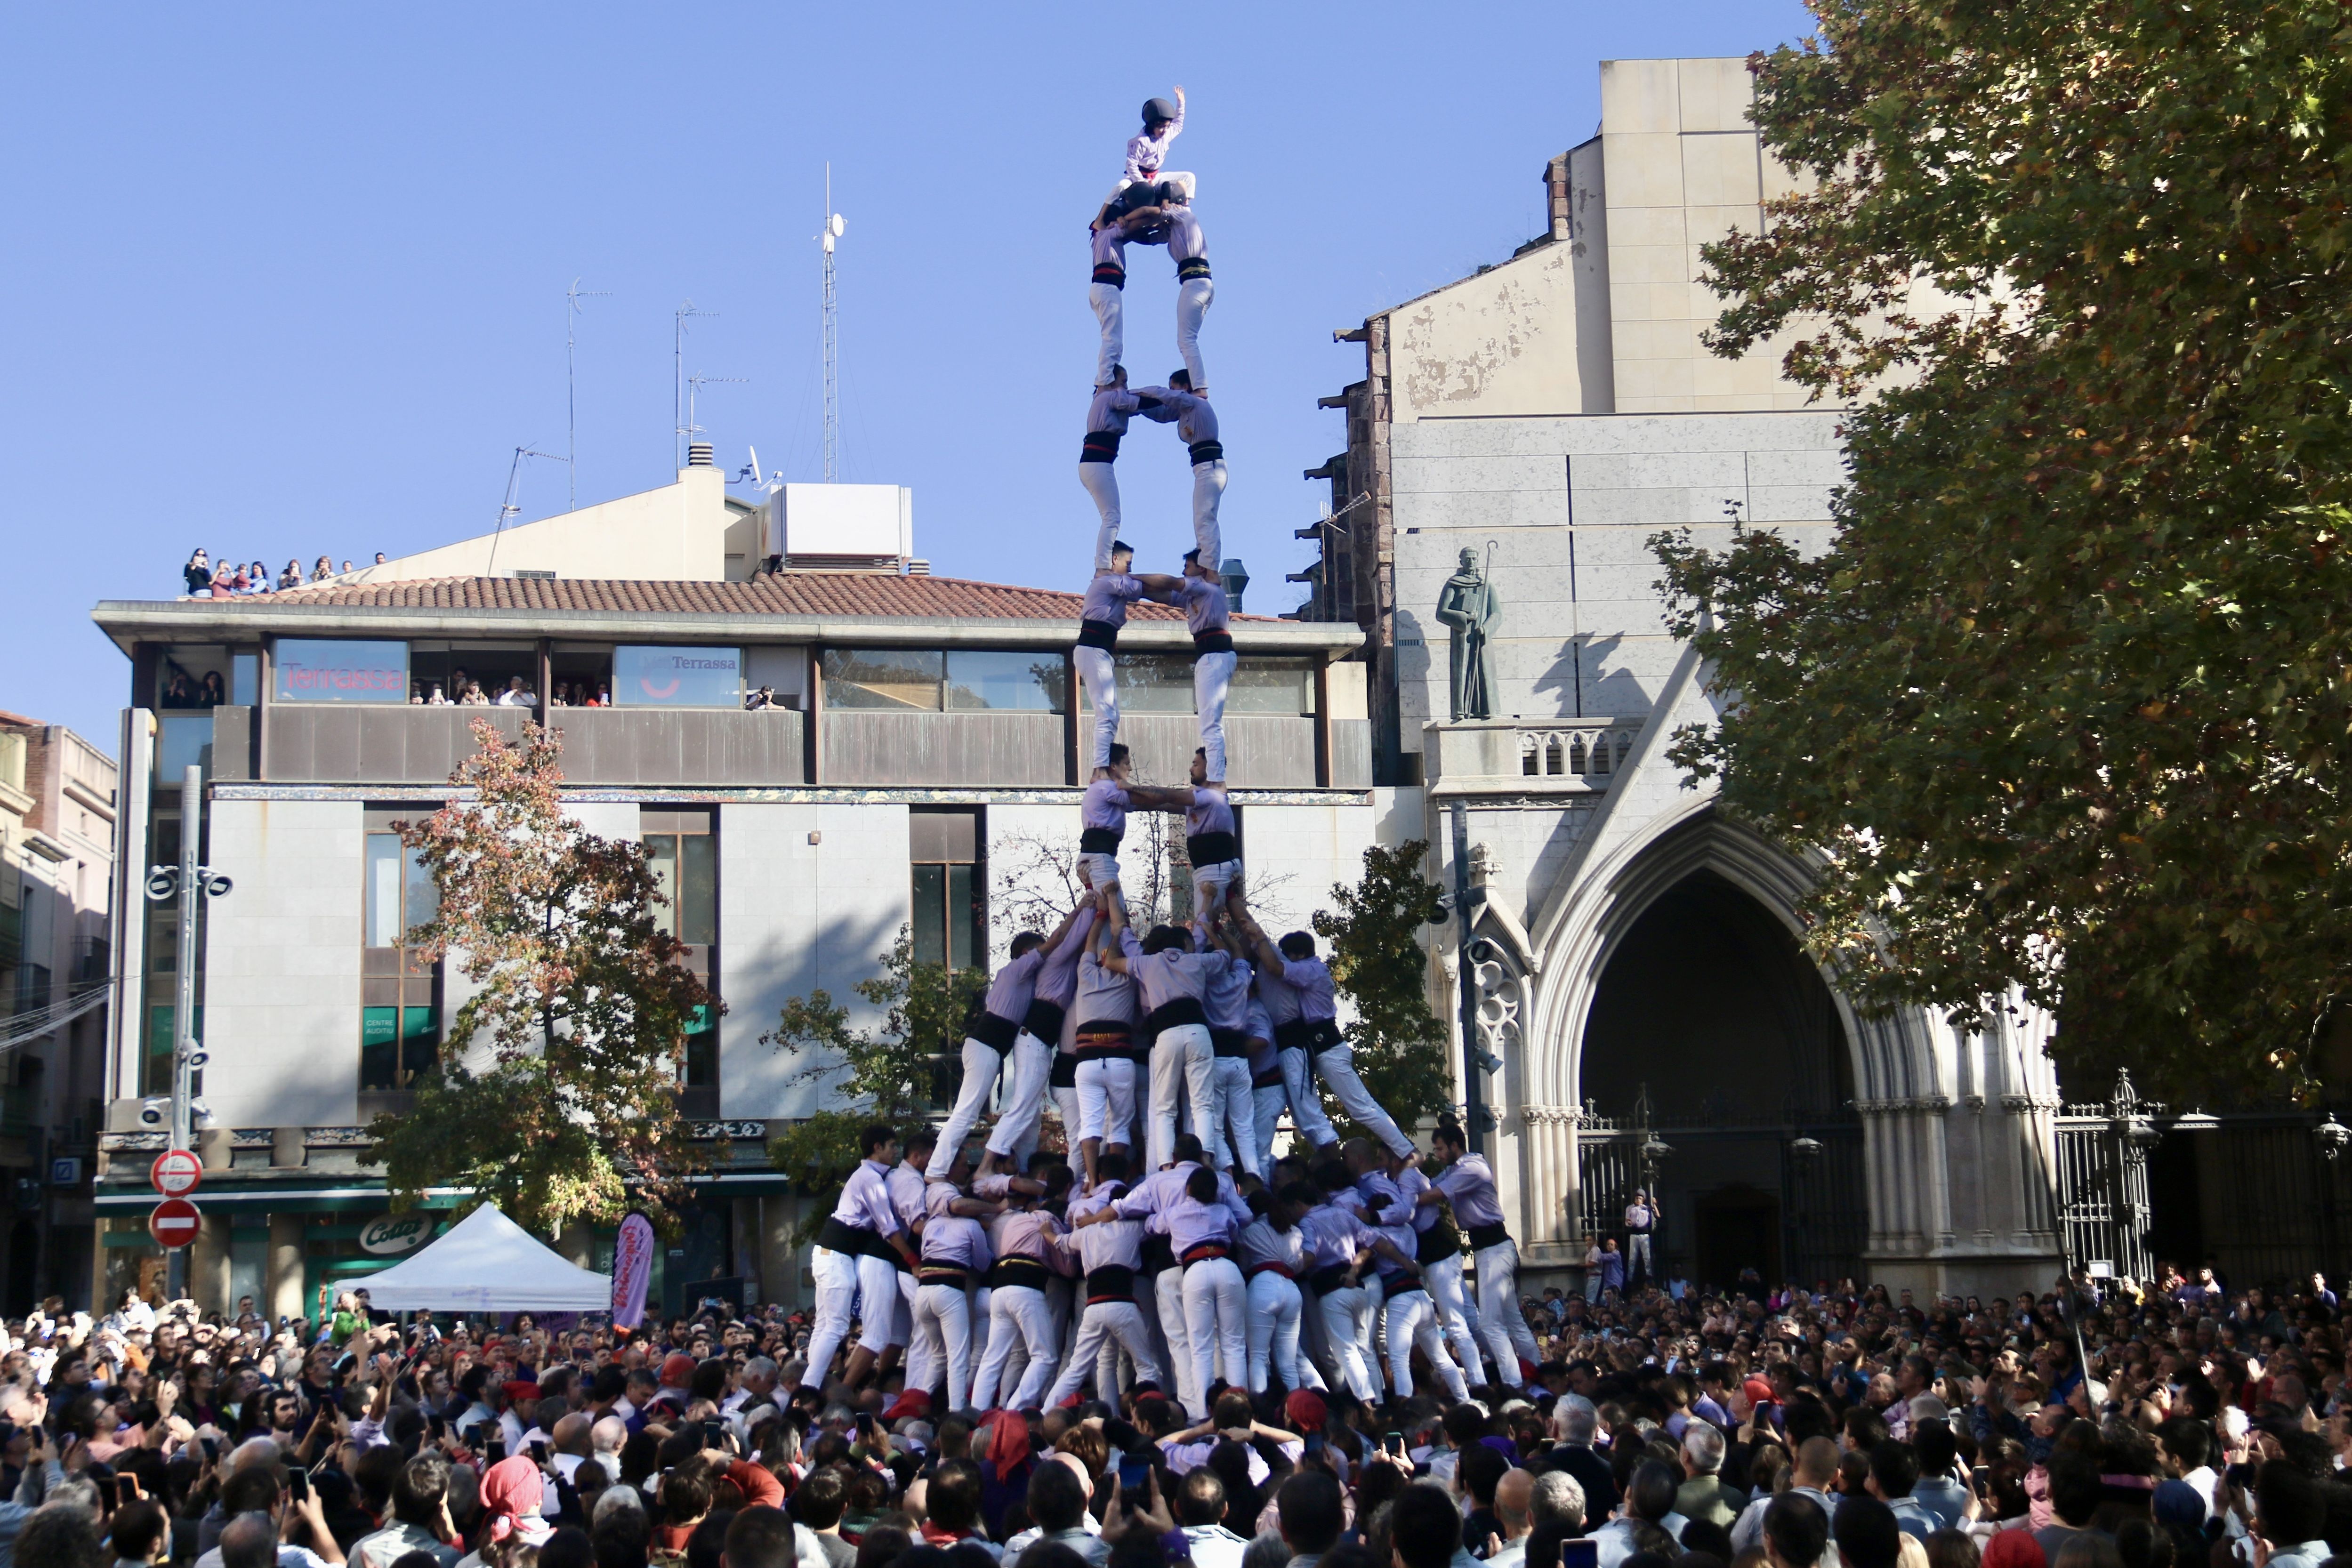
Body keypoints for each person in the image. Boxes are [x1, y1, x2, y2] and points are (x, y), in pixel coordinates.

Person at [1229, 889, 1415, 1158]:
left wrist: (1251, 927)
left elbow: (1274, 966)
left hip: (1325, 1045)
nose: (1284, 959)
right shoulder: (1299, 972)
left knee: (1359, 1106)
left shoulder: (1312, 969)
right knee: (1311, 1109)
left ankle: (1406, 1152)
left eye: (1288, 955)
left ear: (1299, 955)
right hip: (1311, 1045)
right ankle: (1394, 1151)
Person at [935, 906, 1087, 1184]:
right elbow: (1056, 941)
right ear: (1028, 954)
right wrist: (1081, 909)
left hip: (997, 1048)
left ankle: (1024, 1166)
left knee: (1030, 1116)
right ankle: (950, 1169)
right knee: (975, 1111)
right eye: (1040, 951)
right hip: (989, 1046)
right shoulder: (1015, 970)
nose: (1047, 954)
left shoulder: (1028, 979)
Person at [1100, 880, 1229, 1173]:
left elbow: (1112, 962)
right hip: (1198, 1030)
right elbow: (1223, 956)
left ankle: (1166, 1167)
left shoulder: (1147, 963)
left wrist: (1112, 921)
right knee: (1202, 1104)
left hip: (1165, 1035)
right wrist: (1210, 925)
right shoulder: (1196, 960)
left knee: (1163, 1108)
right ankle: (1206, 1159)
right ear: (1185, 945)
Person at [799, 1123, 918, 1395]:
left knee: (826, 1324)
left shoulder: (870, 1176)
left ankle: (811, 1384)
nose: (895, 1151)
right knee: (836, 1325)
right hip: (836, 1255)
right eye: (891, 1146)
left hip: (832, 1253)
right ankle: (809, 1389)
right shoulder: (869, 1178)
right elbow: (889, 1228)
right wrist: (912, 1259)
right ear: (877, 1148)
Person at [1041, 1154, 1164, 1407]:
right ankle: (1151, 1418)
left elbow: (1061, 1243)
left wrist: (1047, 1233)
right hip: (1124, 1305)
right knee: (1146, 1367)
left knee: (1079, 1368)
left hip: (1093, 1307)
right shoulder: (1133, 1228)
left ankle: (1046, 1413)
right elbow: (1152, 1224)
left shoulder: (1086, 1232)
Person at [1428, 1119, 1539, 1388]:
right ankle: (1536, 1374)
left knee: (1491, 1323)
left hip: (1495, 1249)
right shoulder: (1455, 1169)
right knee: (1512, 1320)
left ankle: (1515, 1385)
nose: (1439, 1155)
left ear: (1455, 1145)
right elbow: (1431, 1184)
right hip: (1489, 1251)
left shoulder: (1472, 1167)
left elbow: (1433, 1194)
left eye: (1441, 1148)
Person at [1074, 556, 1184, 778]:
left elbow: (1150, 592)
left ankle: (1101, 767)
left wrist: (1183, 598)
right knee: (1106, 714)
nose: (1131, 570)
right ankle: (1099, 771)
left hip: (1099, 652)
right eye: (1128, 564)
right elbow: (1151, 586)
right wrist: (1181, 588)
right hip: (1093, 650)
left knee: (1112, 715)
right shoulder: (1107, 583)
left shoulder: (1116, 586)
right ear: (1113, 561)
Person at [1131, 370, 1221, 569]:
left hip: (1210, 466)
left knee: (1204, 517)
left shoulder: (1193, 403)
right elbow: (1162, 414)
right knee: (1201, 517)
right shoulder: (1185, 410)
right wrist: (1135, 407)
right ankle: (1205, 562)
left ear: (1185, 388)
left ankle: (1209, 567)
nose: (1172, 392)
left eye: (1174, 387)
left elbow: (1161, 394)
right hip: (1204, 467)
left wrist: (1129, 394)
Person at [1160, 549, 1234, 784]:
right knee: (1208, 722)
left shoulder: (1206, 588)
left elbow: (1170, 582)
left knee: (1211, 723)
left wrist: (1131, 579)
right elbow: (1164, 594)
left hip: (1215, 654)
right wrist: (1132, 590)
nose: (1184, 571)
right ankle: (1214, 777)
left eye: (1188, 566)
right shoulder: (1195, 596)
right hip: (1209, 655)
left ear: (1201, 569)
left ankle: (1216, 780)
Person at [1078, 371, 1149, 574]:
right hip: (1098, 463)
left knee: (1111, 516)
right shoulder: (1110, 397)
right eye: (1124, 381)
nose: (1126, 386)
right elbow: (1140, 403)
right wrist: (1171, 397)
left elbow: (1144, 408)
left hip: (1096, 463)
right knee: (1112, 517)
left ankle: (1102, 565)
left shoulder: (1111, 401)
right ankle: (1102, 566)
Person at [1625, 1191, 1656, 1286]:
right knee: (1632, 1257)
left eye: (1640, 1198)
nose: (1638, 1200)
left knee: (1647, 1256)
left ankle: (1649, 1275)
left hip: (1644, 1234)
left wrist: (1654, 1204)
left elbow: (1657, 1215)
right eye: (1636, 1198)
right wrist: (1629, 1223)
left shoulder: (1646, 1209)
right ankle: (1630, 1278)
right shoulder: (1630, 1208)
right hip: (1634, 1233)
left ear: (1643, 1200)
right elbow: (1627, 1221)